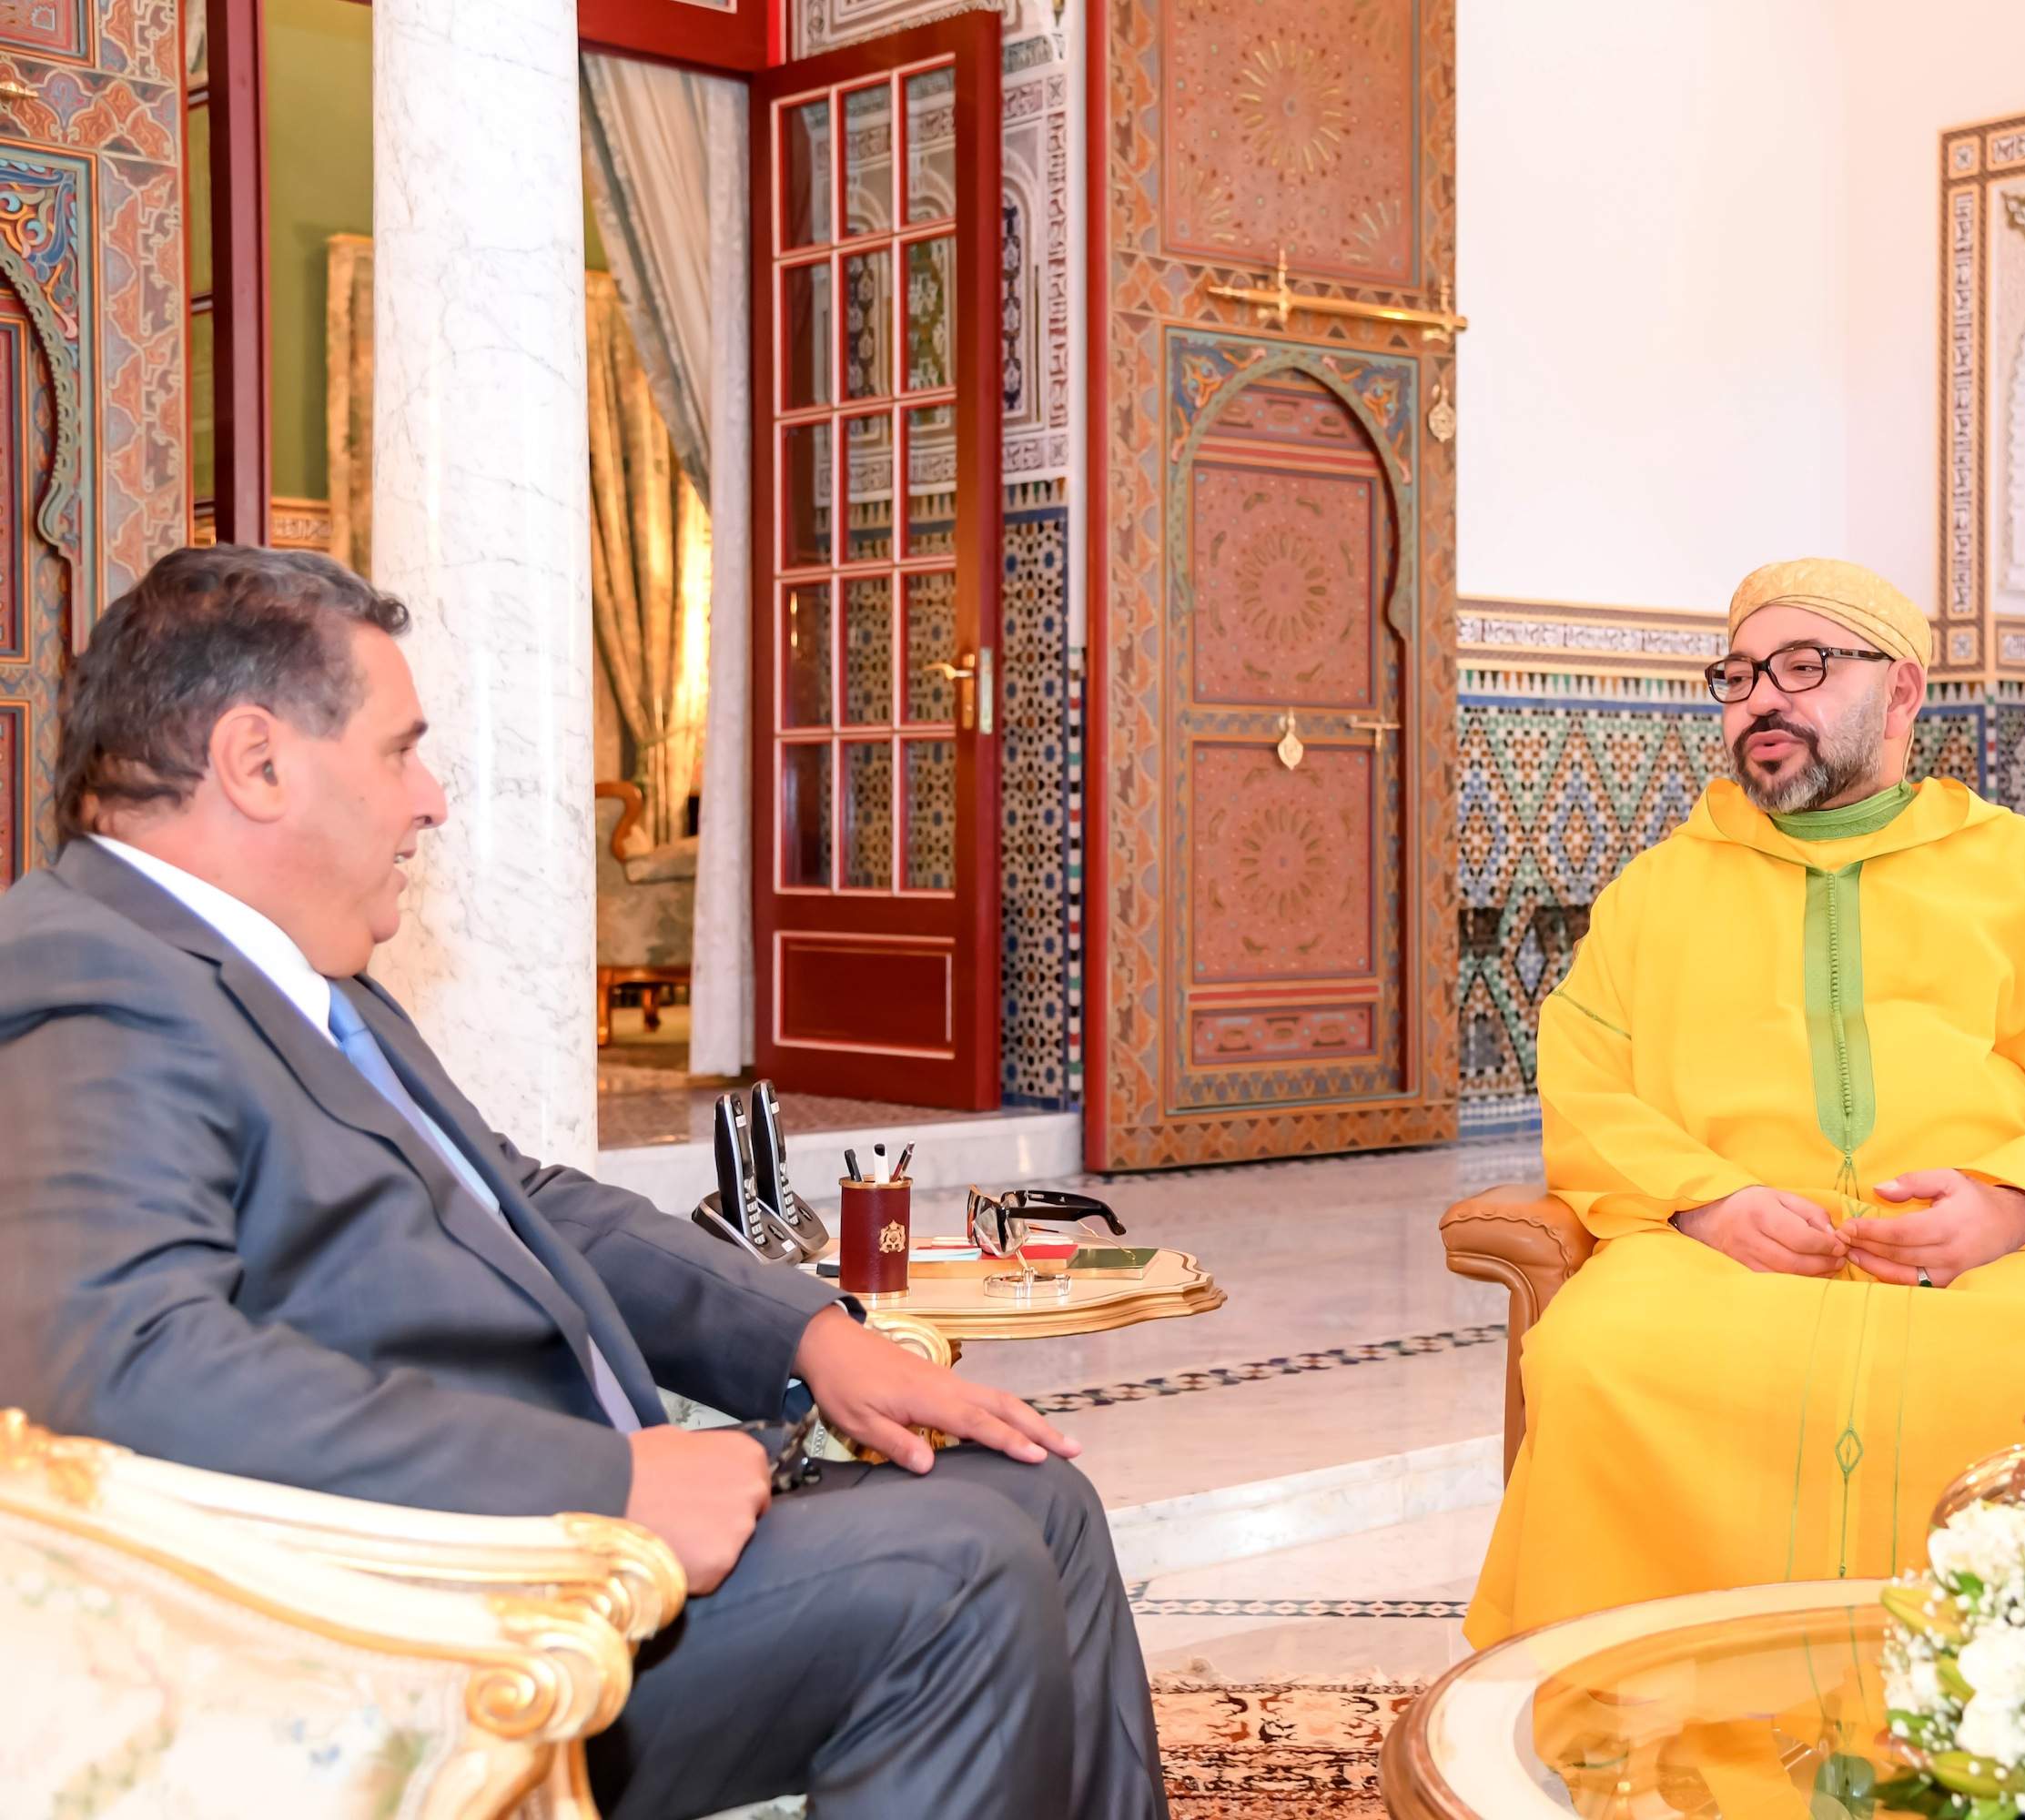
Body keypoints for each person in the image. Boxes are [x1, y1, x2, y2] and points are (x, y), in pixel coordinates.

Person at [0, 546, 1166, 1820]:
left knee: (1042, 1501)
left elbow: (523, 1200)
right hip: (435, 1623)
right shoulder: (93, 977)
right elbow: (125, 1369)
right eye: (400, 752)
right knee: (959, 1572)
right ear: (257, 761)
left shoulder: (296, 975)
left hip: (564, 1545)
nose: (432, 801)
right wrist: (603, 1489)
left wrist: (809, 1334)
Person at [1466, 557, 2025, 1647]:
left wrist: (2016, 1200)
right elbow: (1586, 1083)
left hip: (1993, 1259)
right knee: (1600, 1361)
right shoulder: (1656, 892)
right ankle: (1639, 1714)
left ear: (1902, 689)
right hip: (1718, 1259)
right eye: (1739, 675)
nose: (1761, 699)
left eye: (1803, 666)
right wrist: (1708, 1200)